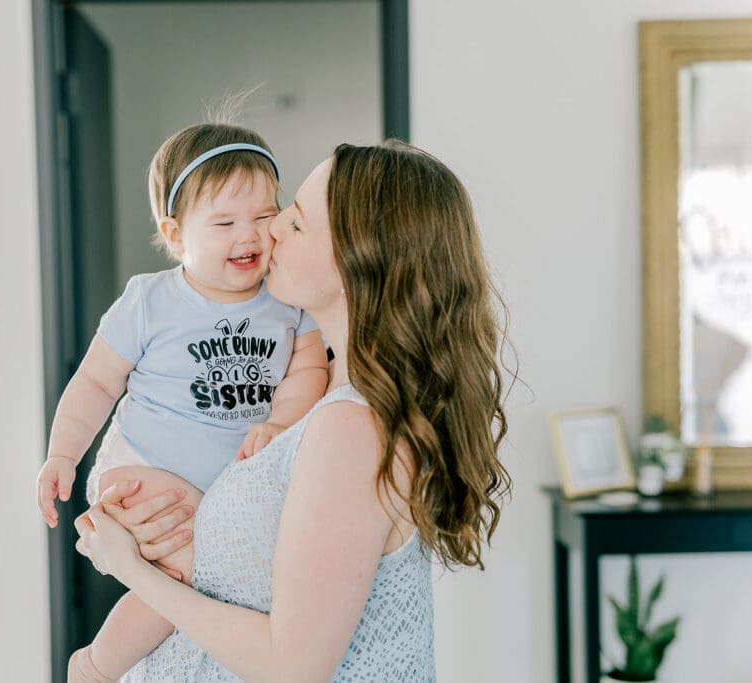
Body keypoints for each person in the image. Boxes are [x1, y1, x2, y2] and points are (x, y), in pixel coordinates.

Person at [72, 140, 513, 681]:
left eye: (296, 223)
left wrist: (131, 568)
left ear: (358, 263)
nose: (271, 228)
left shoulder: (353, 426)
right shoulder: (313, 393)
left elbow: (293, 668)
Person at [37, 123, 329, 681]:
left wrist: (281, 420)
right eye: (223, 222)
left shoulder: (287, 300)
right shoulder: (150, 300)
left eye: (265, 216)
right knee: (203, 576)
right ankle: (97, 668)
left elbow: (308, 368)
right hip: (144, 466)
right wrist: (62, 455)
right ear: (175, 234)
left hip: (220, 489)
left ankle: (125, 664)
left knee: (201, 582)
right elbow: (95, 383)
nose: (248, 235)